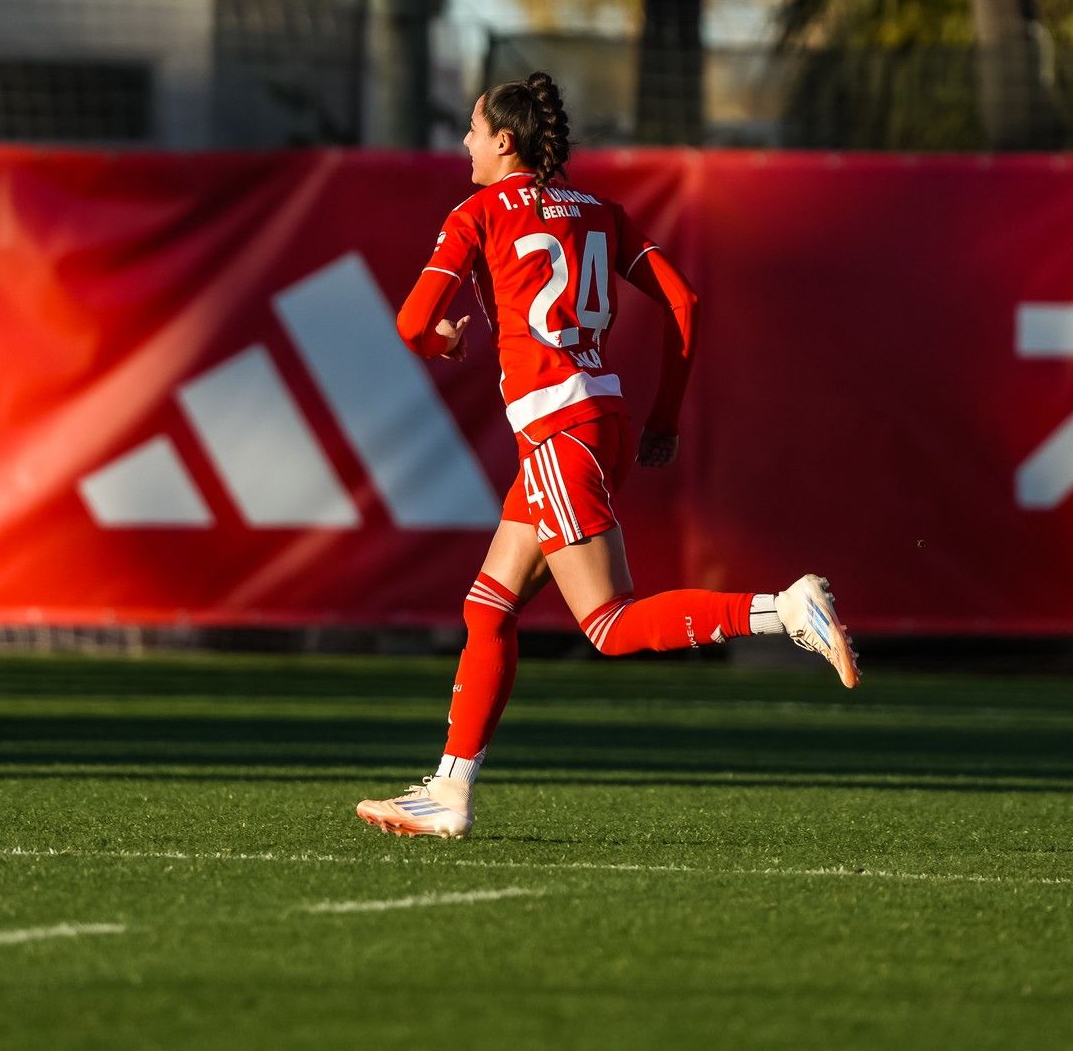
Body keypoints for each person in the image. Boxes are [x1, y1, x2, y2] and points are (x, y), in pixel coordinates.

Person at [354, 72, 860, 839]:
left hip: (557, 432)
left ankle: (783, 609)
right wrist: (663, 417)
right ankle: (450, 790)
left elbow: (411, 323)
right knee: (487, 606)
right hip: (605, 420)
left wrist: (442, 339)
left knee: (607, 622)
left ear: (504, 140)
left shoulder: (478, 212)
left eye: (472, 127)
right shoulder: (600, 212)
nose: (463, 141)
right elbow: (684, 302)